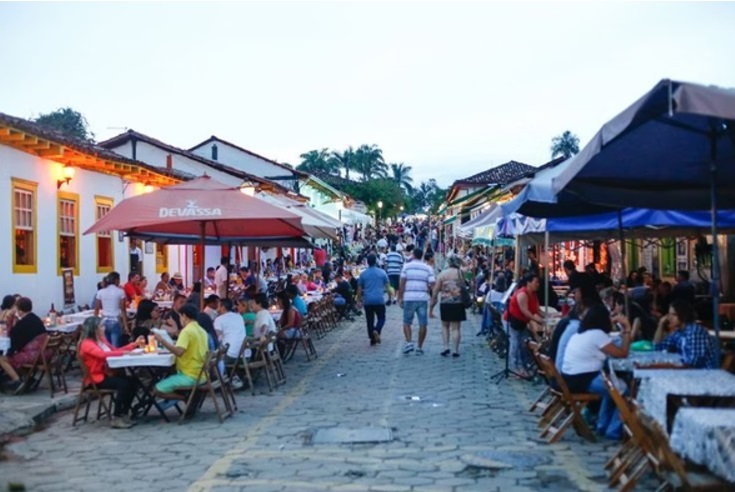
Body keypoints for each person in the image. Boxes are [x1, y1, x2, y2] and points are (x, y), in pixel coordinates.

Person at [561, 304, 632, 440]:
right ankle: (613, 430)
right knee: (623, 392)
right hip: (584, 379)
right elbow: (622, 353)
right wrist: (628, 330)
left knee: (610, 391)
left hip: (570, 378)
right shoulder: (597, 335)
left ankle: (602, 425)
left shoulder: (582, 333)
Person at [78, 316, 144, 429]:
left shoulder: (102, 341)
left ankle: (124, 412)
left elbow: (116, 351)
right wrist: (126, 354)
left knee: (134, 381)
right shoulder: (87, 343)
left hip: (107, 373)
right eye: (101, 326)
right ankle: (117, 416)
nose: (104, 328)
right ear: (94, 329)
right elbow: (102, 355)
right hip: (96, 378)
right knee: (123, 384)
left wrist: (133, 345)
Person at [154, 303, 210, 400]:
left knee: (157, 389)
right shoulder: (201, 330)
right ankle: (187, 398)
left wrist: (162, 341)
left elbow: (179, 352)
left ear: (184, 316)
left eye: (180, 316)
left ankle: (185, 398)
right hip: (202, 373)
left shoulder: (187, 331)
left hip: (190, 375)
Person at [0, 297, 47, 393]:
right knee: (13, 356)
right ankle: (28, 379)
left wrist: (10, 321)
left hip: (33, 354)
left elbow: (14, 342)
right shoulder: (35, 318)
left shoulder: (22, 324)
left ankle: (17, 381)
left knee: (2, 358)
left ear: (19, 310)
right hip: (43, 353)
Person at [547, 285, 600, 368]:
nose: (574, 295)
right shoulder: (575, 326)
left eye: (576, 292)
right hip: (564, 370)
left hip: (558, 366)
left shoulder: (570, 322)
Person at [653, 299, 716, 368]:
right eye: (669, 314)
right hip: (689, 372)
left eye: (674, 315)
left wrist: (671, 366)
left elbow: (693, 362)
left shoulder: (695, 331)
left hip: (704, 374)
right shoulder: (679, 333)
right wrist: (661, 324)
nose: (669, 318)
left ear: (683, 315)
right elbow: (658, 347)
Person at [398, 247, 435, 355]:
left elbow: (402, 283)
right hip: (422, 298)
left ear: (413, 255)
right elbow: (433, 284)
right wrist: (432, 295)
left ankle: (409, 342)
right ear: (422, 256)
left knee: (406, 322)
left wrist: (400, 297)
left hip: (409, 297)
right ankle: (419, 347)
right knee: (423, 323)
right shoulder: (427, 268)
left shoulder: (406, 267)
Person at [506, 273, 544, 377]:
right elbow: (526, 312)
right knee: (516, 345)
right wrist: (539, 321)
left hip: (522, 323)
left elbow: (537, 310)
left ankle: (525, 366)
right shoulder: (522, 294)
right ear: (529, 283)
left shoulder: (534, 294)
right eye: (536, 282)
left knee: (524, 345)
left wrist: (549, 317)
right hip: (513, 322)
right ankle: (516, 368)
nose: (538, 284)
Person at [430, 255, 466, 358]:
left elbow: (436, 290)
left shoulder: (442, 274)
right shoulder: (460, 273)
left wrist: (432, 303)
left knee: (445, 326)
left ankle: (446, 347)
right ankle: (455, 350)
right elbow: (468, 266)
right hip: (458, 303)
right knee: (456, 328)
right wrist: (461, 260)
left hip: (445, 302)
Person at [357, 253, 390, 346]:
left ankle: (372, 338)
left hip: (368, 300)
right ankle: (377, 330)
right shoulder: (382, 272)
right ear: (376, 261)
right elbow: (388, 286)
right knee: (381, 317)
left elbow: (359, 288)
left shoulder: (363, 274)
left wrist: (358, 300)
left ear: (367, 262)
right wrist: (391, 297)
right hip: (379, 299)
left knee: (369, 320)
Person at [94, 271, 129, 347]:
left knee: (105, 345)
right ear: (116, 280)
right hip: (115, 320)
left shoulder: (100, 292)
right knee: (114, 346)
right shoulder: (120, 292)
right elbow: (123, 309)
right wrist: (125, 325)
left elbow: (96, 308)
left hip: (104, 320)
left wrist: (95, 323)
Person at [214, 299, 246, 364]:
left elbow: (215, 336)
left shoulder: (219, 319)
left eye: (218, 306)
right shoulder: (239, 317)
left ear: (222, 307)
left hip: (229, 354)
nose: (216, 308)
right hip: (243, 355)